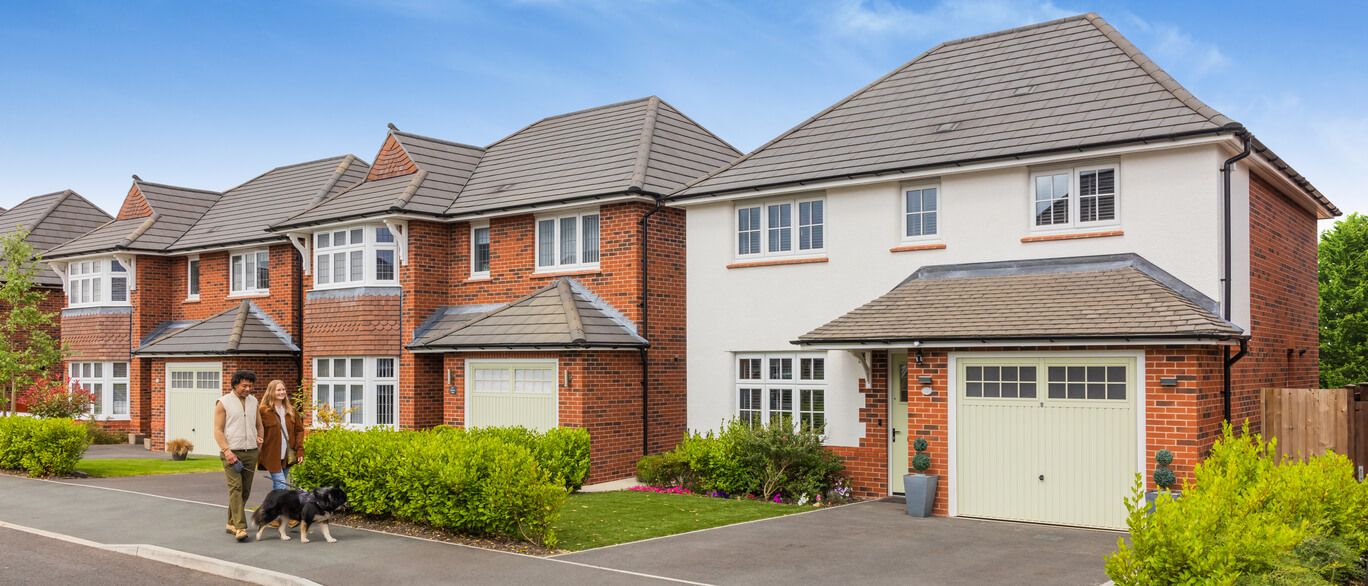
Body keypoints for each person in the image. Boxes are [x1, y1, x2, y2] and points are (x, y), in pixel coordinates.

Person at [214, 369, 264, 542]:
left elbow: (259, 425)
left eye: (250, 385)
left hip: (251, 451)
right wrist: (227, 451)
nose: (248, 389)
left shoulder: (254, 402)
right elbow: (218, 430)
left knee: (245, 491)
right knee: (235, 488)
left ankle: (230, 522)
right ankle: (240, 528)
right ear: (235, 384)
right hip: (232, 452)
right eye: (244, 385)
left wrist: (259, 442)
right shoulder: (223, 402)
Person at [258, 379, 305, 492]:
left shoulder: (292, 411)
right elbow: (256, 429)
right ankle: (282, 509)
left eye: (283, 389)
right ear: (271, 392)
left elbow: (299, 431)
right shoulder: (263, 411)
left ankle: (273, 509)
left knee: (279, 487)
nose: (282, 392)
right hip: (271, 455)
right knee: (282, 486)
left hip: (287, 455)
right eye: (278, 390)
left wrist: (299, 451)